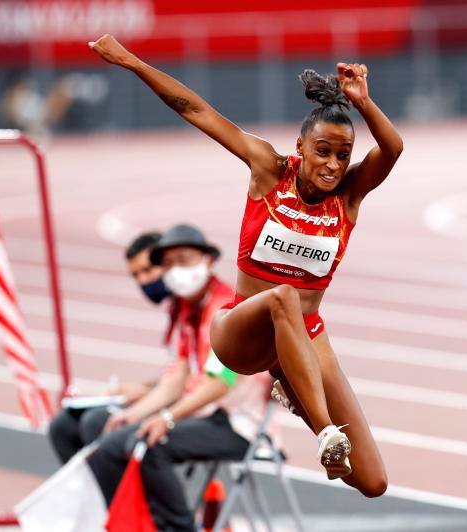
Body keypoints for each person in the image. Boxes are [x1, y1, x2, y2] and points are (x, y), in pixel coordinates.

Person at [88, 34, 403, 496]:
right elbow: (196, 111)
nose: (333, 164)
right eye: (322, 151)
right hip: (241, 329)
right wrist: (132, 63)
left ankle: (293, 384)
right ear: (300, 146)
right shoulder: (269, 169)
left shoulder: (349, 196)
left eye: (343, 154)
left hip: (305, 335)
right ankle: (322, 431)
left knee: (372, 481)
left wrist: (364, 101)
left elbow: (392, 149)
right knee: (283, 298)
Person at [86, 223, 271, 531]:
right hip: (204, 414)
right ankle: (133, 523)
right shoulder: (190, 310)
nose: (175, 270)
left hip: (237, 424)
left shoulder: (228, 309)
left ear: (208, 260)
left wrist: (168, 418)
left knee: (146, 445)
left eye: (184, 260)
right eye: (168, 264)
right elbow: (177, 378)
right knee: (115, 434)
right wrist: (134, 412)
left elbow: (219, 383)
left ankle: (177, 527)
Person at [47, 231, 171, 464]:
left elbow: (206, 381)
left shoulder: (209, 310)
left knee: (97, 422)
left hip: (197, 411)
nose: (144, 281)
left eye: (148, 270)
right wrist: (140, 388)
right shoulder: (176, 313)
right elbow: (176, 375)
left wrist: (144, 395)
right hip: (167, 399)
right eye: (136, 275)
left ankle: (124, 497)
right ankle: (95, 497)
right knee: (62, 426)